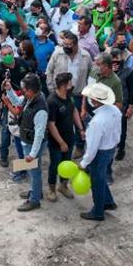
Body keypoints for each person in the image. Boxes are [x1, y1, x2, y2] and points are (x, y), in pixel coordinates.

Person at [3, 73, 49, 212]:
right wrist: (9, 89)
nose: (23, 91)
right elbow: (17, 101)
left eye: (25, 89)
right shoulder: (30, 99)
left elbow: (39, 134)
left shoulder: (40, 109)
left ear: (32, 90)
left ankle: (34, 200)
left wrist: (32, 154)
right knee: (34, 170)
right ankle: (36, 191)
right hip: (27, 141)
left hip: (32, 144)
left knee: (34, 171)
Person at [78, 82, 121, 221]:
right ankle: (108, 201)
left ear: (95, 101)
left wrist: (83, 163)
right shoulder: (115, 110)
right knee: (101, 177)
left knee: (96, 182)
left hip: (100, 153)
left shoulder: (98, 121)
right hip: (111, 148)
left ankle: (98, 212)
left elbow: (92, 149)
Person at [46, 73, 82, 201]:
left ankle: (63, 185)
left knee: (66, 163)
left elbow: (74, 111)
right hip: (56, 141)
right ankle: (51, 189)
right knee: (55, 164)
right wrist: (61, 143)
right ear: (63, 86)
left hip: (69, 137)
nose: (72, 85)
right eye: (69, 83)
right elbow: (51, 125)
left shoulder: (69, 95)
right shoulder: (52, 101)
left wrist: (80, 129)